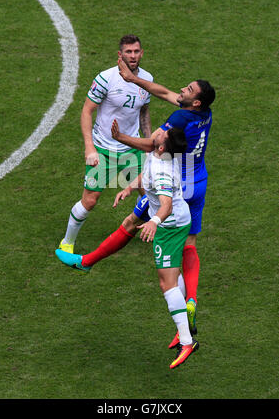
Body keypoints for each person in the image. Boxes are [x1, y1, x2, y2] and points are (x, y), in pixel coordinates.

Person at [55, 68, 216, 345]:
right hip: (198, 180)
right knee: (187, 243)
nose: (182, 91)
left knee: (152, 244)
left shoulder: (180, 118)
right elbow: (166, 93)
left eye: (188, 90)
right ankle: (191, 300)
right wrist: (136, 80)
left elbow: (152, 144)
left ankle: (87, 263)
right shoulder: (205, 114)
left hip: (174, 186)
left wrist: (122, 138)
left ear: (196, 102)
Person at [56, 124, 199, 369]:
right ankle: (185, 326)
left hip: (169, 226)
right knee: (171, 279)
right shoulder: (160, 154)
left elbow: (165, 205)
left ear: (162, 146)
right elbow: (147, 168)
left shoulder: (164, 169)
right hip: (177, 220)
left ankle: (186, 341)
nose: (158, 131)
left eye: (161, 134)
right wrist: (129, 187)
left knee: (167, 284)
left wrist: (154, 222)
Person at [58, 35, 153, 253]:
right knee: (90, 201)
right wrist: (90, 147)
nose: (133, 55)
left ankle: (160, 234)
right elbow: (86, 110)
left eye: (136, 51)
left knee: (150, 192)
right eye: (128, 52)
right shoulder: (106, 78)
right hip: (104, 150)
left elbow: (144, 113)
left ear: (142, 53)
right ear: (120, 55)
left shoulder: (146, 79)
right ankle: (67, 242)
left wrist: (149, 146)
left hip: (132, 149)